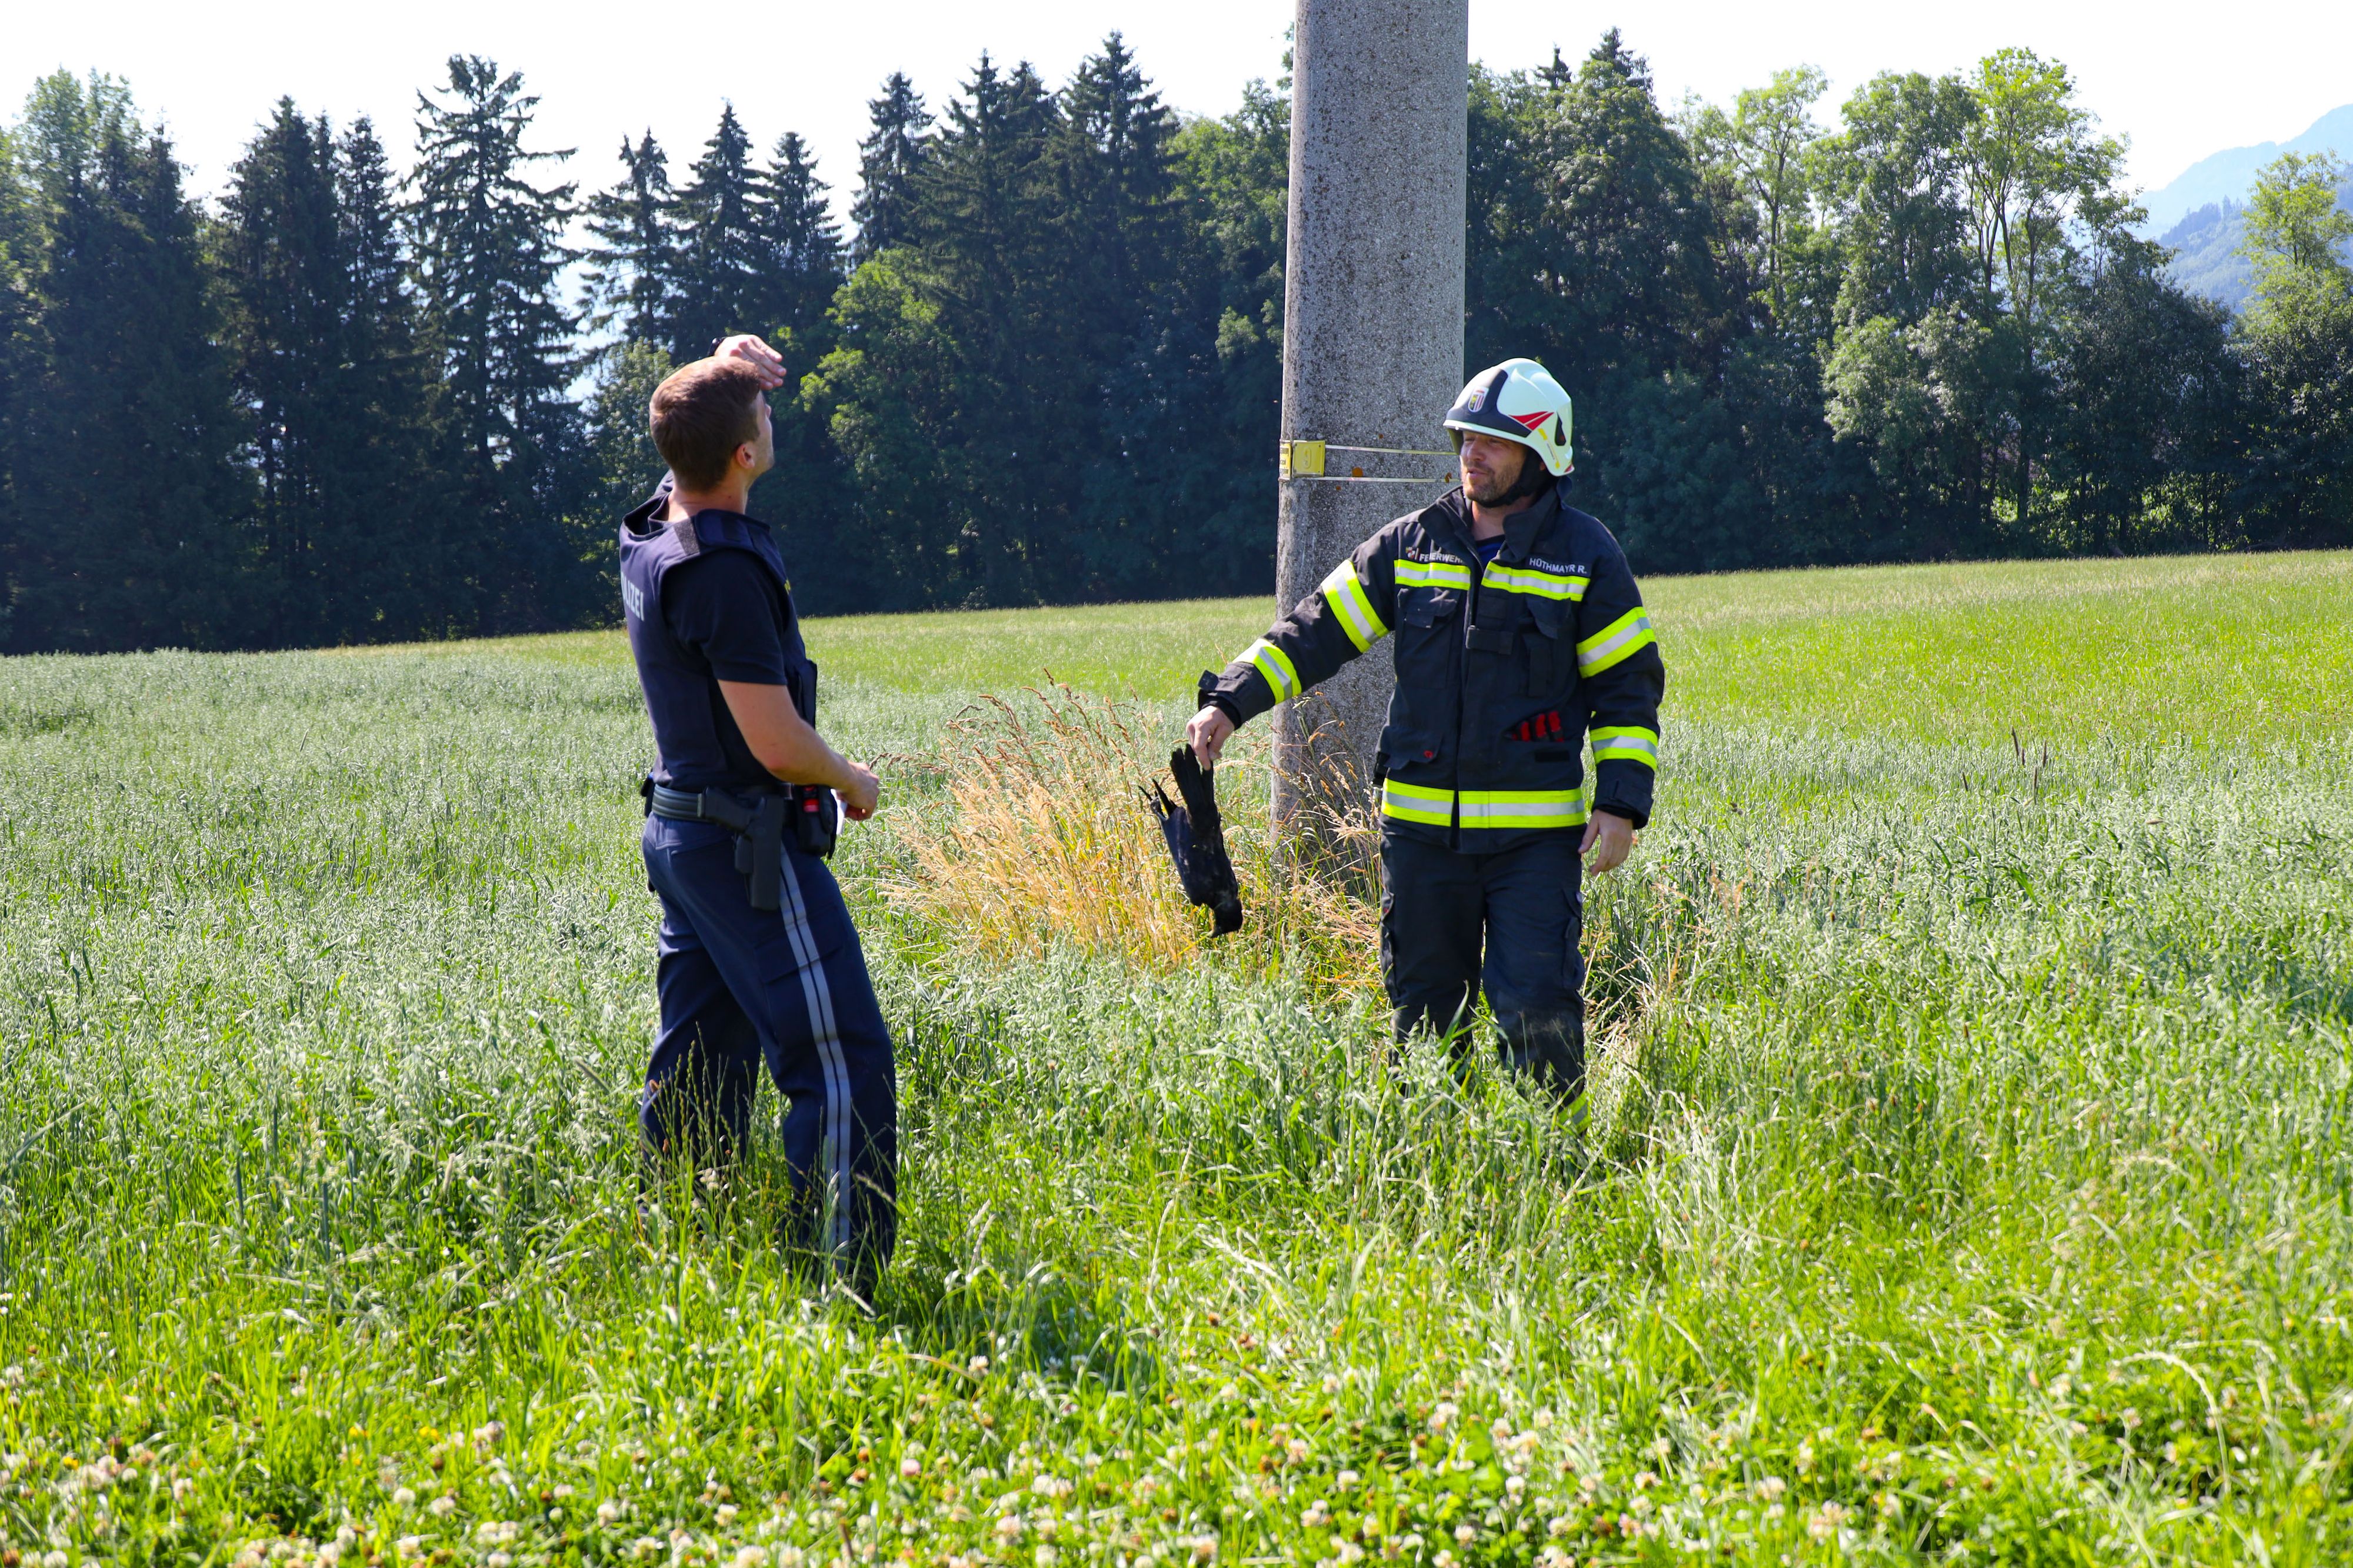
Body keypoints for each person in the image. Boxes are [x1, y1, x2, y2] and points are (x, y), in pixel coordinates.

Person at [1188, 358, 1664, 1100]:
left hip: (1533, 847)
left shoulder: (1587, 555)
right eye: (1466, 437)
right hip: (1418, 842)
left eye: (1493, 442)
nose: (1472, 453)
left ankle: (1547, 1165)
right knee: (1424, 1021)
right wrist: (1229, 701)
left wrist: (1621, 803)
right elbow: (1316, 630)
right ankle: (1438, 1159)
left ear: (1542, 455)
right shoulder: (1413, 544)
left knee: (1536, 1009)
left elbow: (1626, 688)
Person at [618, 338, 895, 1292]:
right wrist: (853, 778)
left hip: (682, 834)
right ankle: (838, 1282)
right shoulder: (726, 577)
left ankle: (679, 1251)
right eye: (762, 420)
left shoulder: (658, 530)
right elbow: (776, 741)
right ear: (741, 455)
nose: (772, 426)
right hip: (746, 847)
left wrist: (713, 372)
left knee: (699, 1062)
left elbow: (683, 442)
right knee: (842, 1058)